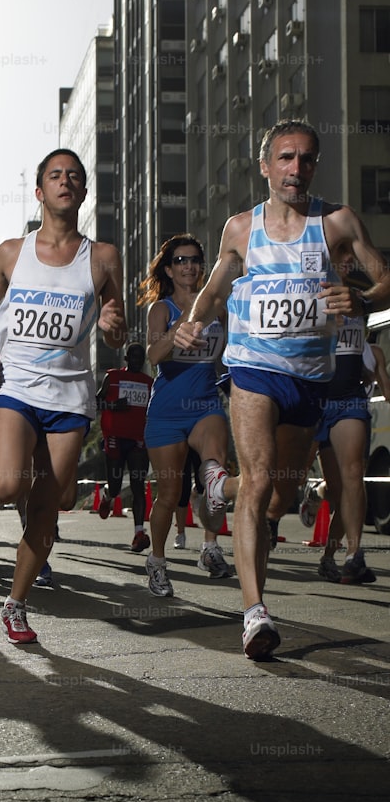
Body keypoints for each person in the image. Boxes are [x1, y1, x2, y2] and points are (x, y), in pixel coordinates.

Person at [175, 119, 390, 660]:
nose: (297, 169)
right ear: (266, 165)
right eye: (287, 159)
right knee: (262, 482)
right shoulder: (241, 229)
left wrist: (362, 300)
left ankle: (217, 486)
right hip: (253, 370)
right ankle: (255, 614)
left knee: (280, 496)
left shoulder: (337, 222)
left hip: (310, 381)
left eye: (308, 159)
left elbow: (383, 277)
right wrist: (193, 322)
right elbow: (214, 287)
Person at [0, 148, 127, 643]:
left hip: (70, 393)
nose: (66, 182)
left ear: (82, 192)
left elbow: (116, 329)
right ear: (40, 191)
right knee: (6, 487)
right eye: (56, 175)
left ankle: (16, 605)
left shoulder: (102, 257)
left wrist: (112, 324)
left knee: (53, 502)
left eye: (75, 176)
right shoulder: (10, 253)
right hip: (16, 383)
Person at [138, 234, 238, 598]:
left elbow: (229, 354)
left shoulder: (217, 307)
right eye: (181, 260)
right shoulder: (162, 309)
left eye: (195, 259)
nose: (190, 266)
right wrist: (174, 335)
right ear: (169, 268)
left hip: (205, 405)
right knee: (168, 495)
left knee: (214, 474)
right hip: (166, 412)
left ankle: (210, 547)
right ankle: (158, 561)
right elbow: (153, 354)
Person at [315, 317, 390, 583]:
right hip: (318, 405)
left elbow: (387, 390)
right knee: (336, 490)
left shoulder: (374, 352)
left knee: (353, 477)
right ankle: (315, 495)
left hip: (351, 406)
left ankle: (353, 554)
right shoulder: (318, 313)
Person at [96, 343, 154, 551]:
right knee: (116, 485)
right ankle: (108, 495)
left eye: (141, 358)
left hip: (138, 440)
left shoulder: (150, 383)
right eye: (134, 358)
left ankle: (139, 532)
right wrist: (113, 405)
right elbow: (94, 403)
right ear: (127, 359)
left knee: (138, 485)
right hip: (115, 437)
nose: (138, 361)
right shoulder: (112, 378)